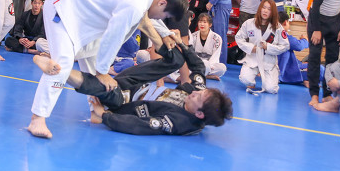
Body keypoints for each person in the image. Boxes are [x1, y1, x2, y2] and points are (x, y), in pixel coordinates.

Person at [27, 0, 188, 139]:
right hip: (62, 6)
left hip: (81, 14)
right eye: (165, 15)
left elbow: (145, 17)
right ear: (162, 3)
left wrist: (165, 33)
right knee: (64, 62)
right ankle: (37, 118)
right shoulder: (135, 5)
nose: (161, 18)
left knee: (91, 62)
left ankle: (95, 111)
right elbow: (112, 38)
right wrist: (102, 72)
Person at [35, 32, 233, 136]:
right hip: (139, 83)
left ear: (199, 114)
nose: (195, 92)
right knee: (177, 60)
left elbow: (140, 126)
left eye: (197, 97)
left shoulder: (180, 123)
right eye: (200, 92)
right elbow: (198, 67)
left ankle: (59, 70)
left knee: (107, 88)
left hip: (124, 101)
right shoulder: (202, 94)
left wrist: (105, 116)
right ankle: (157, 33)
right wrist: (180, 44)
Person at [235, 0, 290, 94]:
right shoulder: (249, 23)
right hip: (253, 60)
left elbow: (285, 46)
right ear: (260, 8)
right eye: (264, 7)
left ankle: (272, 76)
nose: (265, 11)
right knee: (245, 79)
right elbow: (238, 38)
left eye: (269, 9)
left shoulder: (278, 27)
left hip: (268, 62)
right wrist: (251, 48)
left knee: (271, 89)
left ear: (273, 12)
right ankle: (251, 82)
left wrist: (268, 47)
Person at [277, 11, 310, 85]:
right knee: (318, 69)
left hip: (279, 71)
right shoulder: (284, 36)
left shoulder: (272, 34)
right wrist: (305, 40)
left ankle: (305, 79)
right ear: (285, 22)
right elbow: (299, 46)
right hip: (285, 73)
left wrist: (300, 63)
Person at [191, 14, 226, 79]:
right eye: (200, 22)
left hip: (209, 65)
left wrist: (208, 66)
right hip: (196, 64)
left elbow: (215, 56)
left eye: (205, 22)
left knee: (222, 68)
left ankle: (200, 74)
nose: (202, 24)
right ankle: (206, 75)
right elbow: (190, 54)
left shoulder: (217, 38)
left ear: (210, 25)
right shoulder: (192, 36)